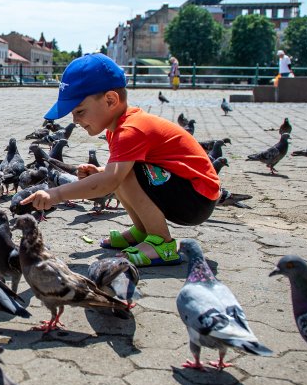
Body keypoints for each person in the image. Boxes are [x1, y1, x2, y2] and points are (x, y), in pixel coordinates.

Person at [20, 54, 220, 267]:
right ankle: (144, 231)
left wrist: (56, 194)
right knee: (120, 173)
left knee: (122, 174)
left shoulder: (131, 130)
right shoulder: (118, 128)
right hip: (186, 192)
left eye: (79, 111)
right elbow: (115, 175)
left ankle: (161, 243)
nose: (75, 120)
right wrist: (101, 172)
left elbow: (112, 181)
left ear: (110, 100)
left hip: (197, 197)